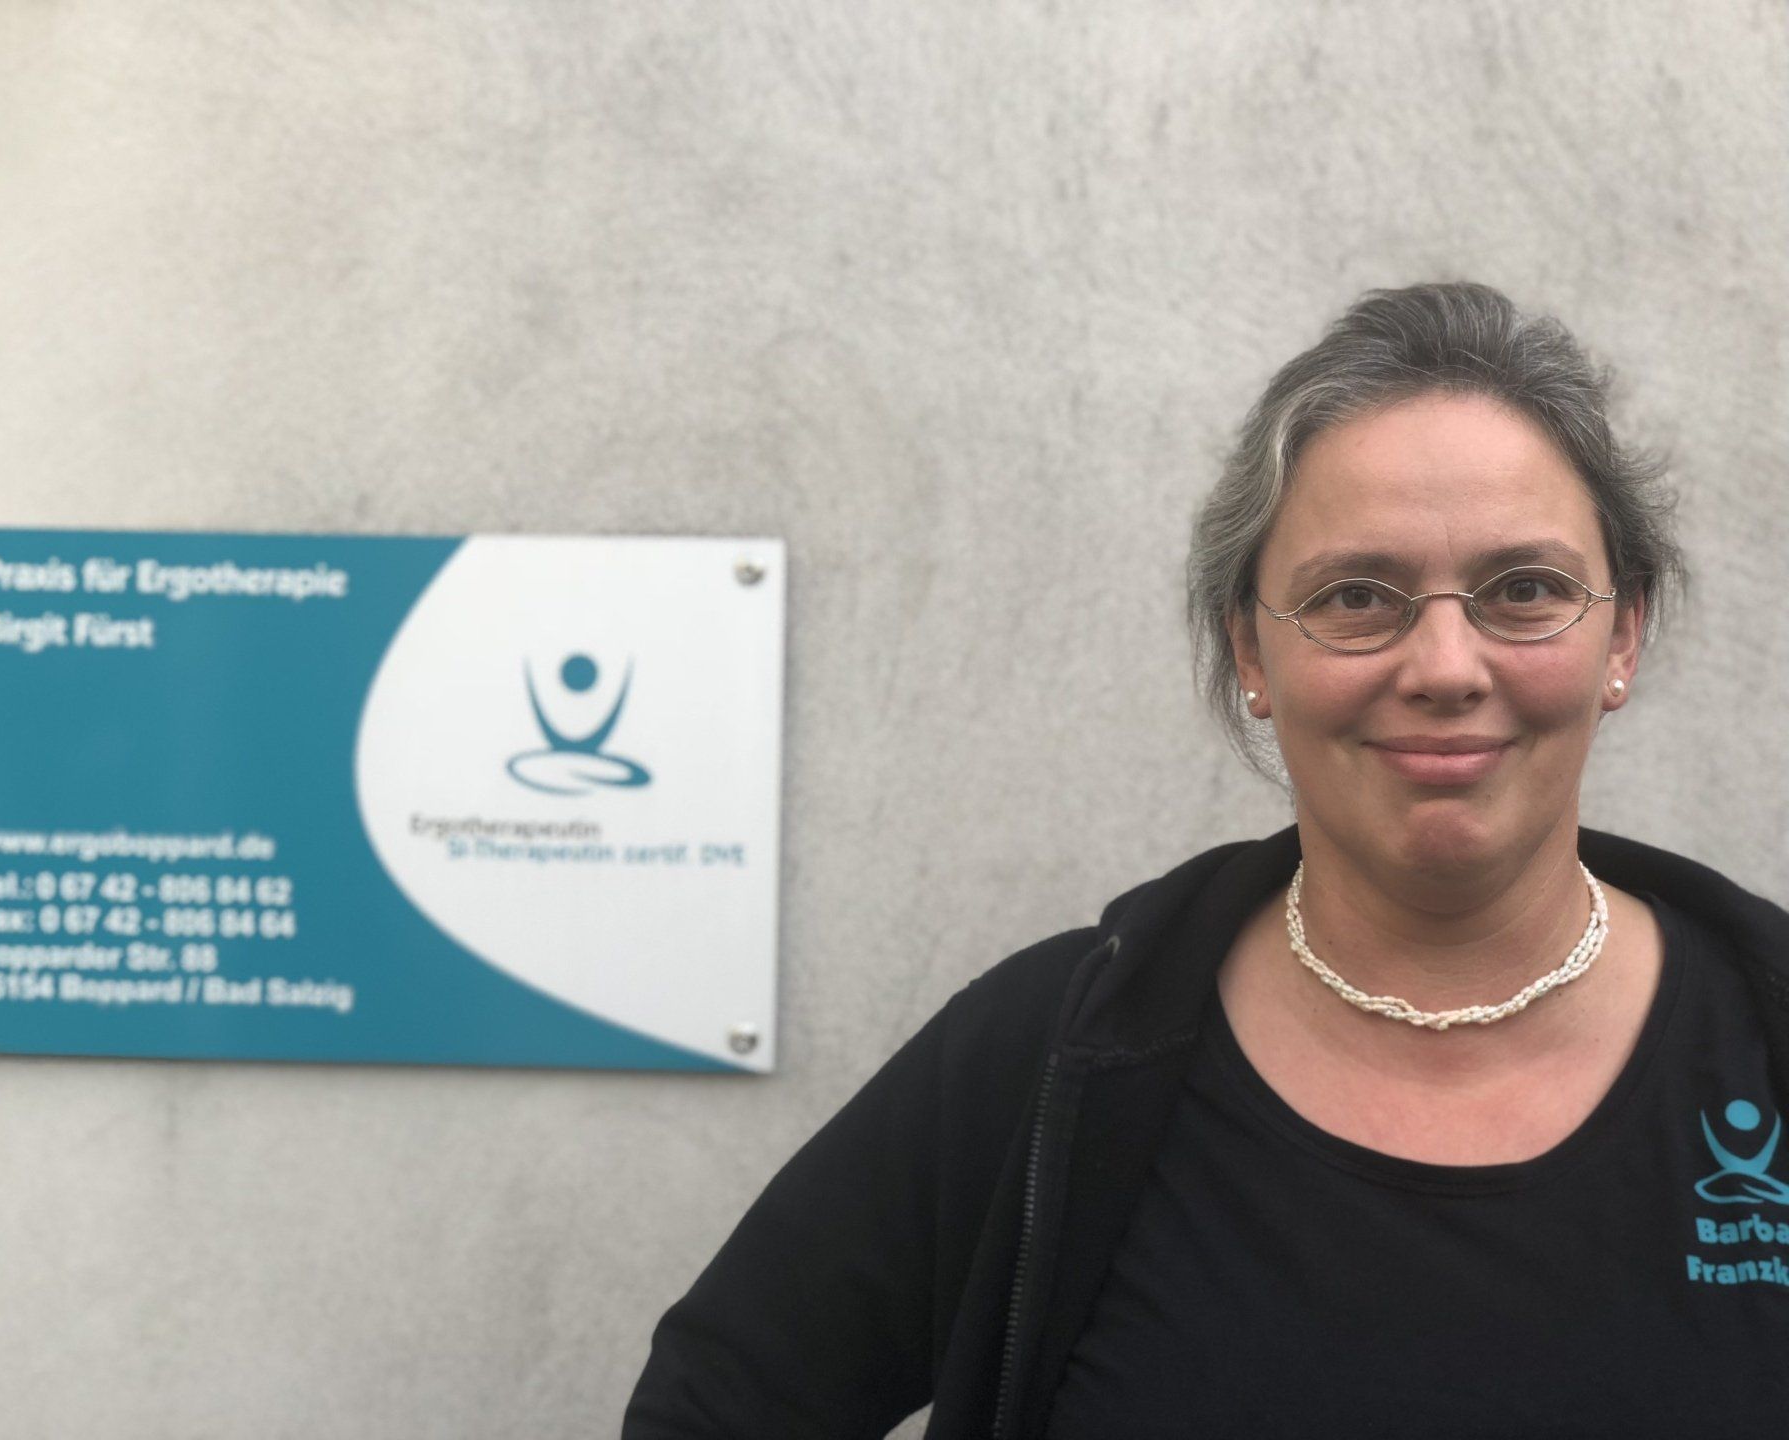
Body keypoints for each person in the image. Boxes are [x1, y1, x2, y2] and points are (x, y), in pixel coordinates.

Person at [623, 283, 1789, 1439]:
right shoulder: (1052, 1059)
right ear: (1251, 653)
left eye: (1525, 590)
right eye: (1357, 596)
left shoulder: (1766, 1031)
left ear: (1622, 632)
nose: (1445, 665)